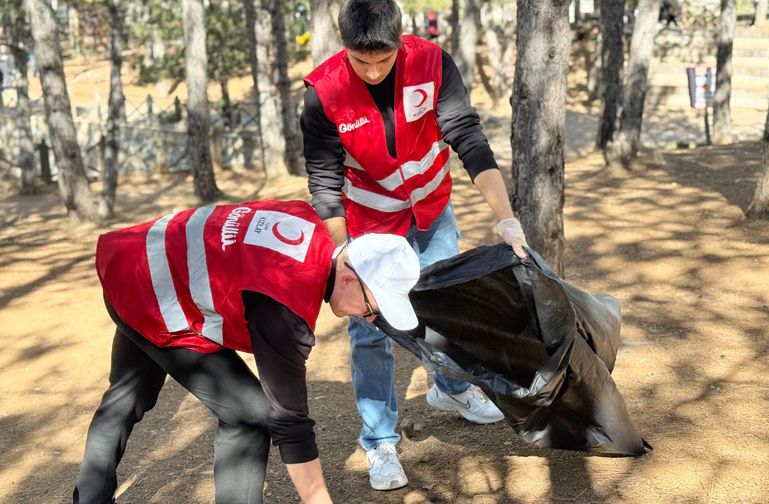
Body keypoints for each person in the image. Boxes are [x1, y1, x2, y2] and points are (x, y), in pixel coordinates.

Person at [300, 0, 528, 491]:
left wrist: (506, 219)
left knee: (443, 304)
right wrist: (349, 255)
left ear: (401, 41)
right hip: (368, 224)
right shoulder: (324, 93)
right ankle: (380, 440)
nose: (375, 71)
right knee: (371, 329)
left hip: (432, 210)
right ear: (344, 50)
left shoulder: (432, 62)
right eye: (362, 62)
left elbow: (467, 138)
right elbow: (324, 182)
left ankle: (449, 389)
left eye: (385, 59)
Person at [73, 200, 421, 504]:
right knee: (250, 414)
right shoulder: (285, 301)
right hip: (154, 294)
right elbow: (290, 420)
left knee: (126, 396)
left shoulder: (306, 222)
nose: (371, 318)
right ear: (348, 279)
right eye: (372, 307)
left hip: (133, 263)